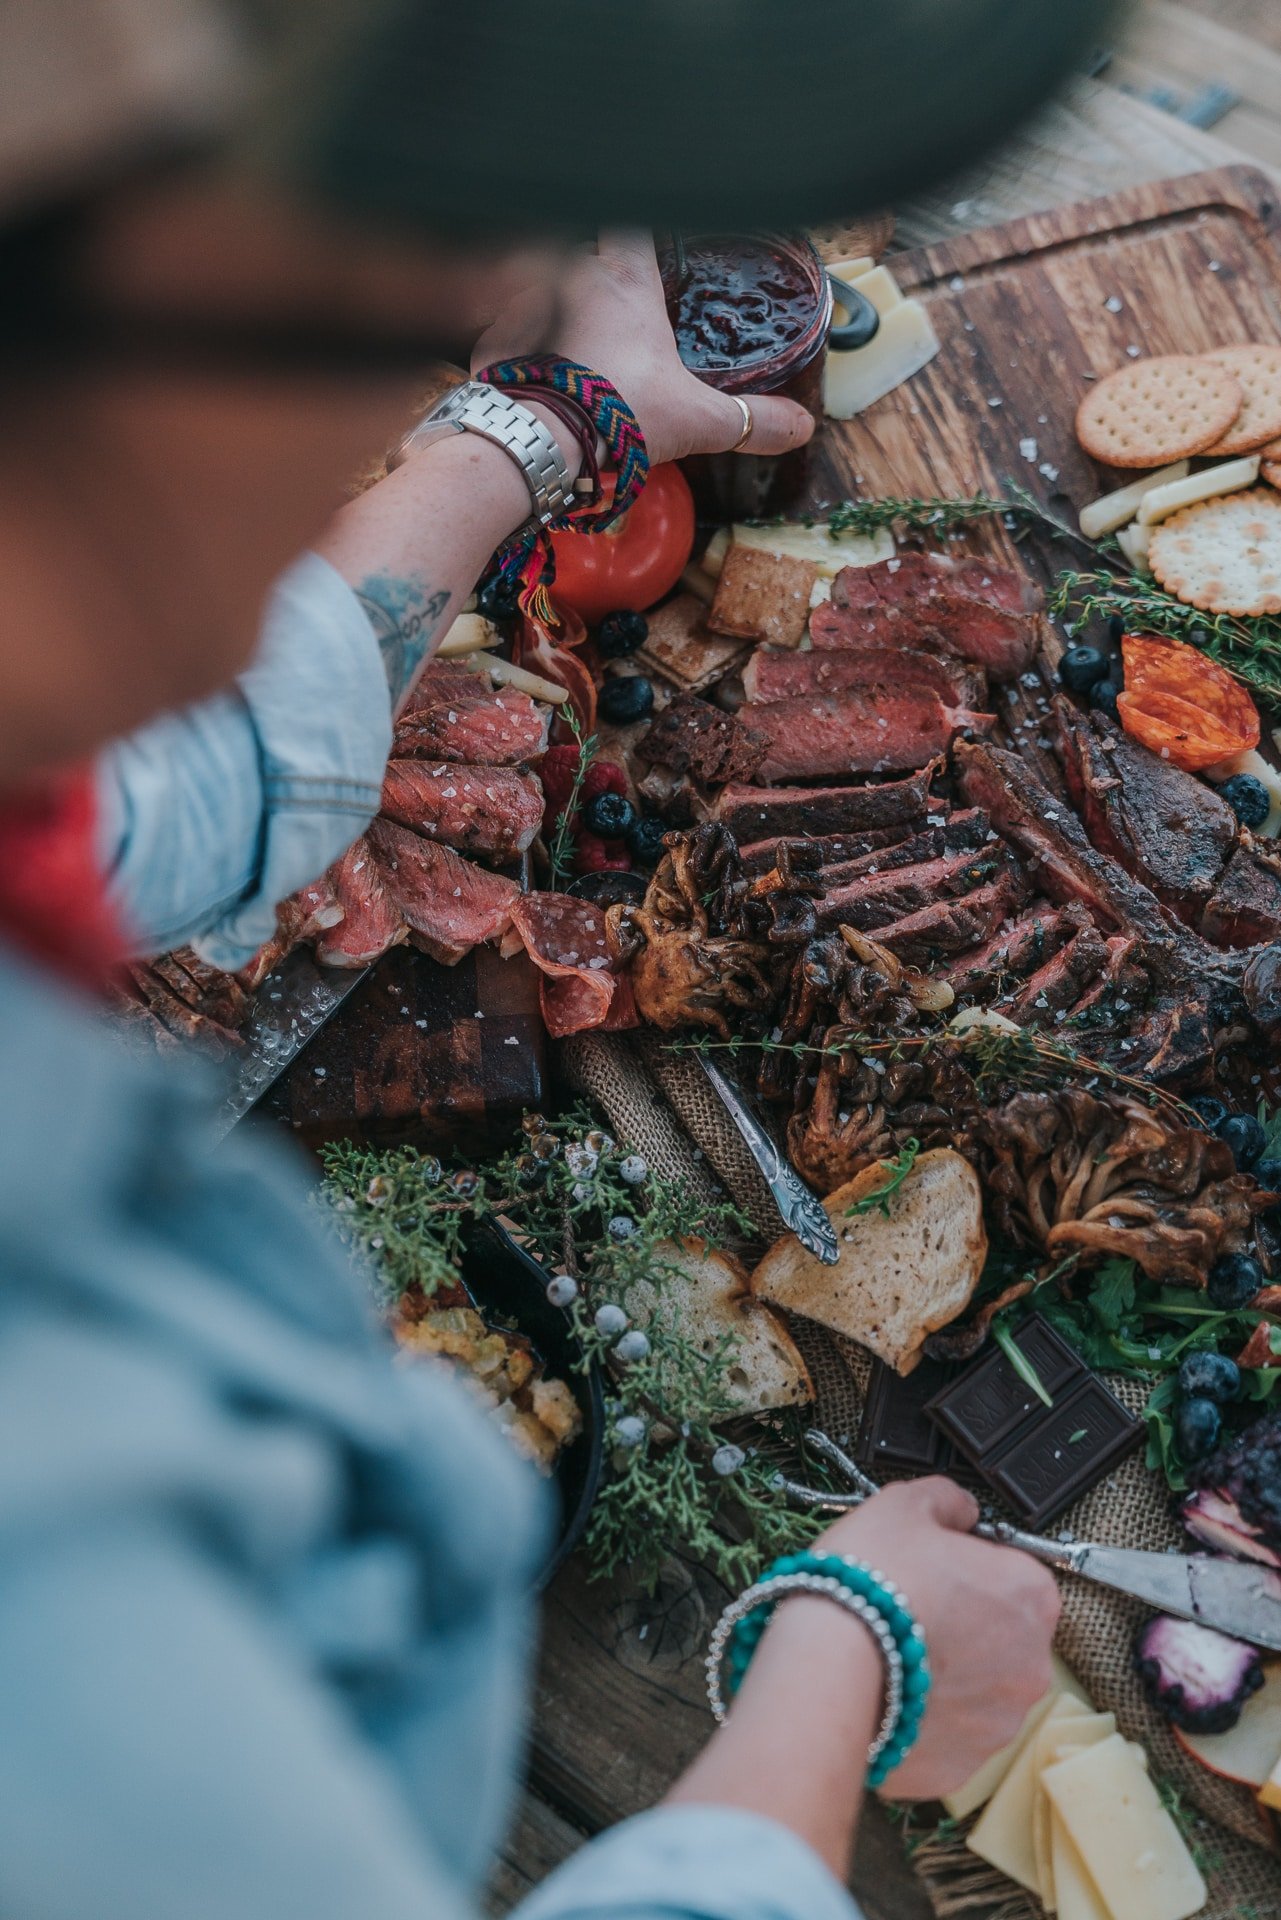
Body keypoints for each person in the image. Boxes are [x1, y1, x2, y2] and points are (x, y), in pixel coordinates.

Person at [0, 4, 1089, 1917]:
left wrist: (545, 421)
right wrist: (844, 1658)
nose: (488, 294)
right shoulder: (59, 1536)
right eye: (423, 266)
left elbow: (185, 779)